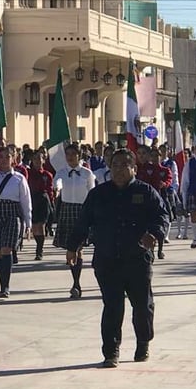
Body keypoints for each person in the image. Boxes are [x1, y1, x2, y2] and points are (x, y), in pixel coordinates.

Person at [67, 149, 169, 368]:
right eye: (115, 165)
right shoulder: (99, 194)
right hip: (107, 259)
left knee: (142, 306)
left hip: (137, 259)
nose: (119, 170)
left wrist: (155, 234)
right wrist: (73, 247)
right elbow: (83, 222)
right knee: (112, 306)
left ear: (134, 168)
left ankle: (143, 342)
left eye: (124, 165)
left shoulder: (146, 192)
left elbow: (162, 217)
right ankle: (111, 352)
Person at [0, 148, 31, 298]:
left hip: (12, 215)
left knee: (6, 249)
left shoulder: (19, 178)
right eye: (1, 157)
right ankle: (1, 283)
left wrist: (28, 222)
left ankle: (6, 286)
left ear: (13, 159)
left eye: (7, 157)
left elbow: (25, 201)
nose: (3, 160)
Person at [53, 144, 96, 298]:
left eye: (73, 154)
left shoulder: (87, 173)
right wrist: (57, 188)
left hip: (82, 211)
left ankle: (76, 284)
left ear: (79, 155)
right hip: (67, 210)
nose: (70, 157)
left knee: (78, 247)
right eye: (68, 154)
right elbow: (57, 182)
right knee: (71, 248)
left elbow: (92, 193)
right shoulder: (62, 172)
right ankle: (75, 281)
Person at [27, 150, 54, 260]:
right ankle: (38, 245)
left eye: (40, 158)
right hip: (32, 198)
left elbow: (50, 189)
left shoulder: (47, 175)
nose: (37, 161)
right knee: (34, 226)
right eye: (35, 159)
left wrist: (51, 202)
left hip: (43, 199)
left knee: (41, 225)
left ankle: (39, 250)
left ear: (43, 160)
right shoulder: (28, 173)